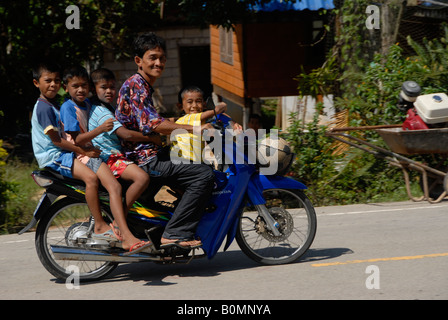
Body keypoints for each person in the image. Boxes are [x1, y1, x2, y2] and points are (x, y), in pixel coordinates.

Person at [116, 32, 215, 249]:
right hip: (144, 159)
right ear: (138, 61)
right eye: (152, 57)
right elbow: (153, 124)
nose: (158, 63)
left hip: (147, 153)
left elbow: (157, 121)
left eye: (161, 58)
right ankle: (175, 233)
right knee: (203, 174)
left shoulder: (142, 85)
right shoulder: (137, 85)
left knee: (191, 164)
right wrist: (194, 129)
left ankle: (166, 222)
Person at [60, 65, 150, 255]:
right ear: (65, 87)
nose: (80, 90)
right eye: (75, 86)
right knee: (114, 187)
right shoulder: (69, 107)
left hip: (91, 152)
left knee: (118, 188)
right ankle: (123, 235)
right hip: (83, 155)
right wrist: (101, 129)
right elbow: (76, 139)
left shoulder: (86, 105)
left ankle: (123, 229)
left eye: (84, 85)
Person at [89, 67, 160, 217]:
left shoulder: (107, 108)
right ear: (93, 89)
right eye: (103, 87)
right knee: (142, 178)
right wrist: (151, 138)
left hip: (116, 155)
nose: (109, 91)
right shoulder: (101, 112)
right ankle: (121, 217)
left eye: (112, 87)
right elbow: (125, 134)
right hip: (110, 158)